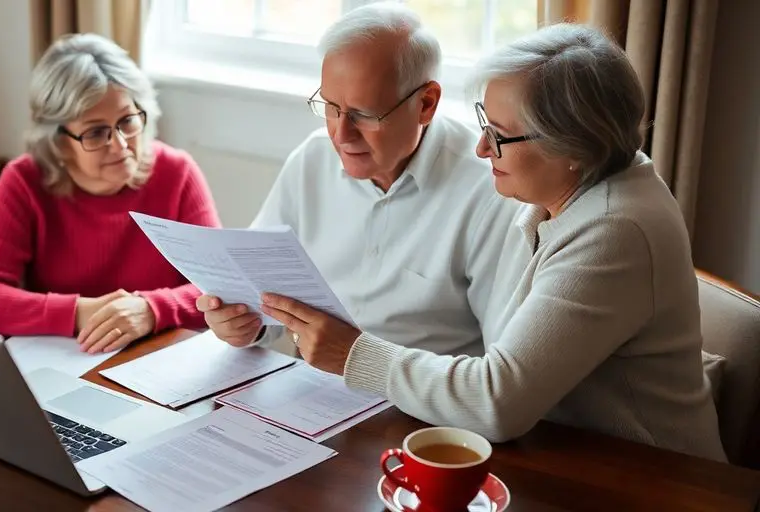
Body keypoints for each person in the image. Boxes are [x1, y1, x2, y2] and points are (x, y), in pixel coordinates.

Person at [259, 23, 727, 461]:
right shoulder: (561, 194)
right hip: (565, 455)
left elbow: (497, 402)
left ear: (571, 146)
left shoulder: (613, 230)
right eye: (484, 123)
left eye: (499, 136)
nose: (481, 149)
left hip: (653, 479)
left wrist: (354, 353)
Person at [197, 3, 518, 359]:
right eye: (331, 107)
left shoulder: (489, 190)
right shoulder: (312, 160)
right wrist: (245, 322)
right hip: (308, 388)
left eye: (364, 114)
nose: (341, 135)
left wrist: (361, 361)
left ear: (426, 103)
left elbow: (500, 370)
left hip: (422, 408)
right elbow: (257, 290)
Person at [0, 33, 221, 354]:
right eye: (96, 132)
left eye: (127, 121)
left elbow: (220, 287)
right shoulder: (24, 180)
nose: (121, 144)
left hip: (159, 355)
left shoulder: (177, 172)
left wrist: (151, 309)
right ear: (58, 140)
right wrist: (84, 312)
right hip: (62, 356)